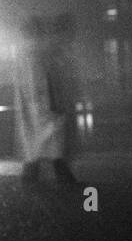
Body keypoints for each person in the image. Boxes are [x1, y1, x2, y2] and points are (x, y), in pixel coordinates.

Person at [13, 12, 81, 184]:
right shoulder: (39, 55)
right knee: (52, 140)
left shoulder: (29, 54)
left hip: (37, 104)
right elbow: (43, 81)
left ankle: (34, 174)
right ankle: (53, 173)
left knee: (38, 142)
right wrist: (53, 100)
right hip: (44, 104)